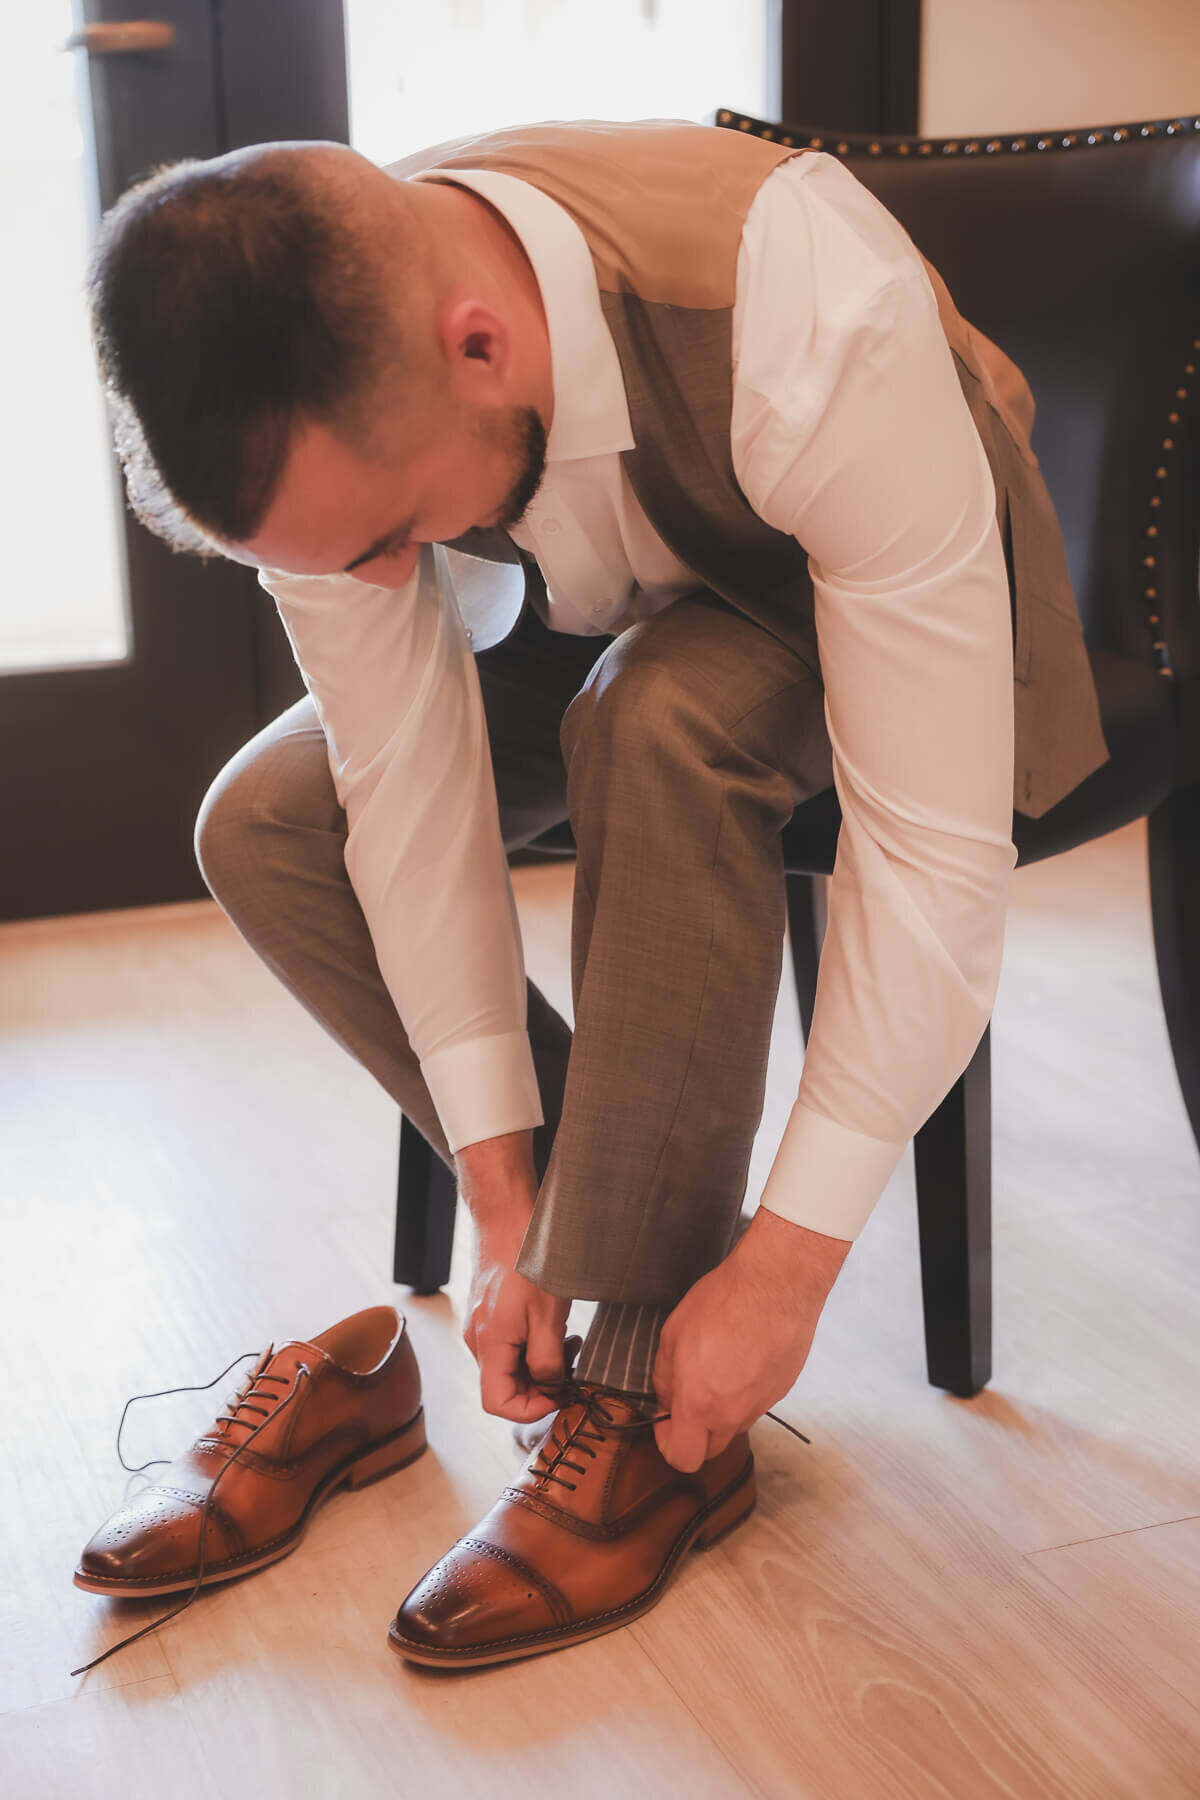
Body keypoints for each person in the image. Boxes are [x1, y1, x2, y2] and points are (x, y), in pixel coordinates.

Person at [73, 117, 1108, 1671]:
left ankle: (645, 1393)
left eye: (373, 540)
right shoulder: (321, 404)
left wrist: (788, 1263)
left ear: (478, 344)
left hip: (861, 597)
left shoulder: (809, 308)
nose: (363, 580)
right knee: (270, 822)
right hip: (582, 591)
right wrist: (506, 1201)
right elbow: (404, 804)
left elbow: (930, 846)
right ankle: (609, 1281)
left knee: (660, 720)